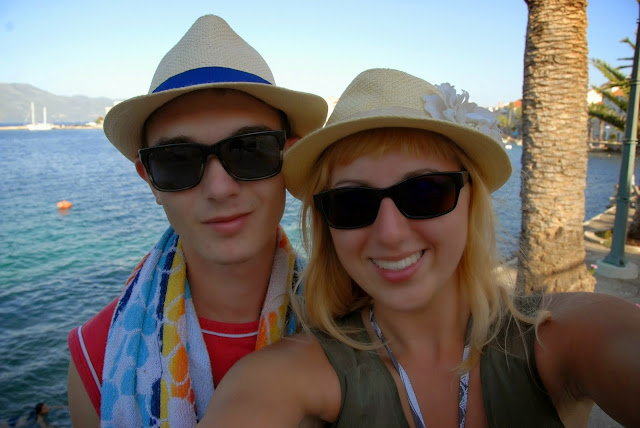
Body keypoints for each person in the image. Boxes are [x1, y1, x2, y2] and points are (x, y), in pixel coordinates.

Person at [198, 68, 640, 427]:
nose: (390, 233)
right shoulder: (287, 374)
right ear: (327, 225)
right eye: (352, 203)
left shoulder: (564, 334)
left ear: (471, 201)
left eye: (426, 192)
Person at [66, 14, 327, 427]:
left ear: (289, 159)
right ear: (150, 180)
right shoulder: (94, 355)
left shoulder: (355, 329)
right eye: (177, 161)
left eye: (250, 150)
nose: (219, 188)